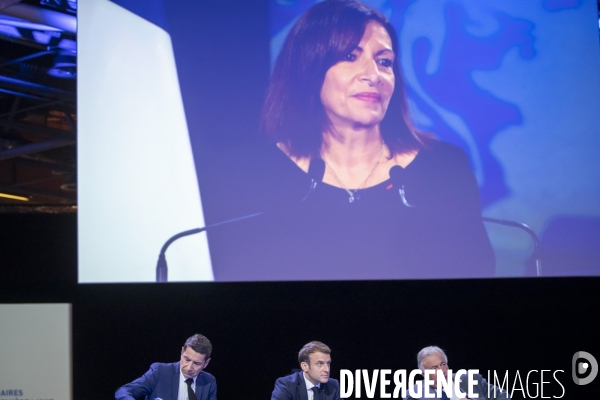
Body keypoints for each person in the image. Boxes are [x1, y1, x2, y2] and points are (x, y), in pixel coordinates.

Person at [209, 0, 495, 280]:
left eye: (384, 62)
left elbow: (477, 285)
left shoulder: (444, 170)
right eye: (350, 56)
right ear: (308, 67)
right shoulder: (254, 175)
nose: (373, 75)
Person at [115, 334, 216, 400]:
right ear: (181, 352)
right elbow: (123, 391)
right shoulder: (159, 372)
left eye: (196, 363)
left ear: (206, 363)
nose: (189, 367)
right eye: (187, 359)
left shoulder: (209, 381)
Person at [405, 346, 510, 400]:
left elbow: (503, 396)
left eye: (443, 364)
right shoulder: (414, 394)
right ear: (423, 374)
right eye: (434, 368)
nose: (442, 370)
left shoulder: (469, 379)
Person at [271, 341, 340, 400]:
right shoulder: (286, 385)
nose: (327, 369)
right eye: (320, 364)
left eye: (328, 363)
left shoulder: (333, 386)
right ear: (305, 366)